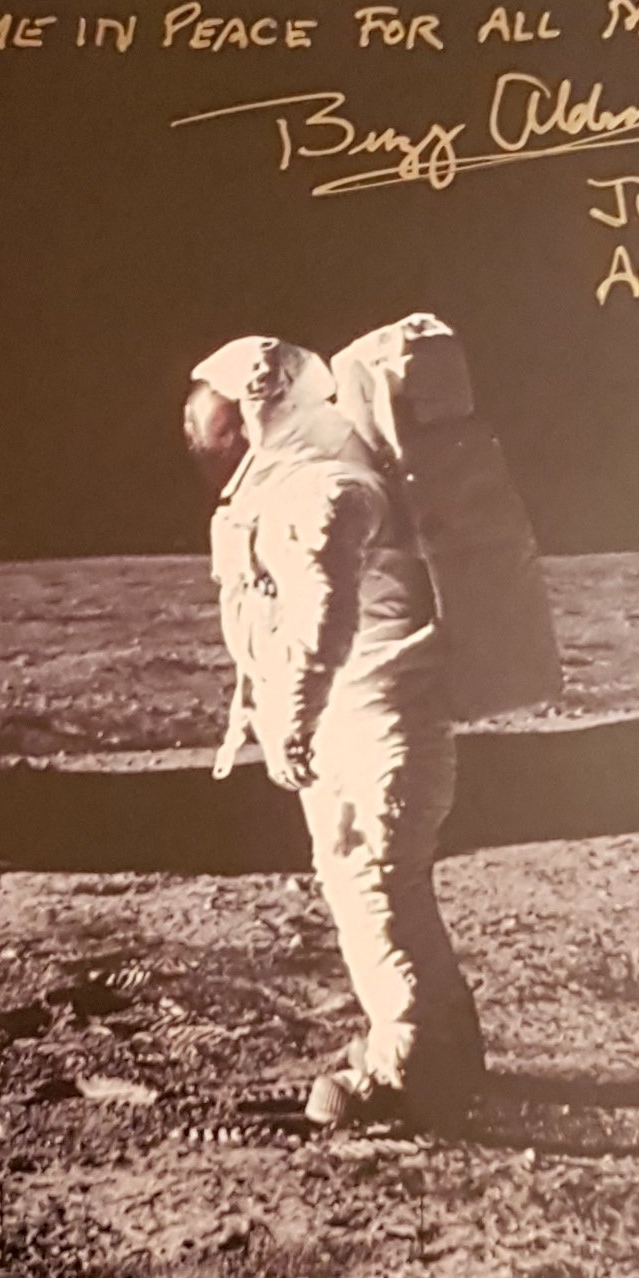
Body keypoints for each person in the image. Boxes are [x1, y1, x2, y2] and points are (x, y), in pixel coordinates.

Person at [185, 334, 485, 1132]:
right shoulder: (311, 483)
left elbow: (326, 622)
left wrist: (292, 719)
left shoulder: (328, 493)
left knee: (375, 888)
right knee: (379, 885)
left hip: (381, 726)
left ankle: (406, 1070)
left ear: (263, 413)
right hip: (367, 720)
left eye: (222, 429)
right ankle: (445, 1042)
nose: (213, 448)